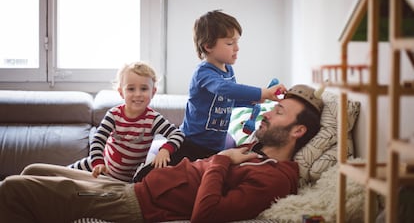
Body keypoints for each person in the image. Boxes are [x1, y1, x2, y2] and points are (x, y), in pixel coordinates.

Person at [0, 84, 323, 223]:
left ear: (298, 131)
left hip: (138, 205)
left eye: (278, 112)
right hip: (134, 188)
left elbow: (207, 215)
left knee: (12, 189)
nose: (267, 113)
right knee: (32, 170)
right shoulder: (256, 149)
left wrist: (221, 161)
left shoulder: (275, 179)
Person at [174, 9, 286, 164]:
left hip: (215, 145)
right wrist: (262, 93)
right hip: (192, 143)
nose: (237, 48)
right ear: (208, 46)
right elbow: (224, 89)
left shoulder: (228, 70)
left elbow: (228, 100)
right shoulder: (204, 73)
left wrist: (252, 101)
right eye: (230, 43)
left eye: (237, 42)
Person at [68, 61, 185, 182]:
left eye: (144, 89)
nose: (138, 94)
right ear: (121, 92)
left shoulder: (153, 119)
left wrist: (165, 150)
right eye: (131, 89)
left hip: (125, 180)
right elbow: (98, 139)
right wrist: (98, 162)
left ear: (153, 92)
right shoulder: (114, 115)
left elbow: (177, 134)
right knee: (61, 175)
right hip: (99, 167)